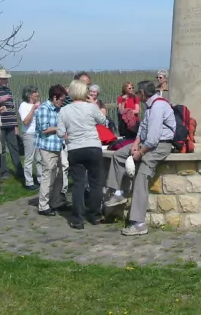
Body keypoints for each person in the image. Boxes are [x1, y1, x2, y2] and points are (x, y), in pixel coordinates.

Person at [105, 80, 176, 236]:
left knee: (141, 177)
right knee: (118, 155)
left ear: (143, 94)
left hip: (160, 145)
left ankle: (139, 223)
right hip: (148, 143)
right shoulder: (151, 105)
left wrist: (141, 152)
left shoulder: (158, 107)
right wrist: (135, 143)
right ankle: (119, 192)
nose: (137, 94)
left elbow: (154, 138)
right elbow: (143, 126)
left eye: (138, 92)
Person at [57, 80, 107, 229]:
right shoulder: (91, 107)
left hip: (75, 148)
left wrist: (69, 134)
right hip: (92, 146)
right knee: (95, 183)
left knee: (78, 184)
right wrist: (94, 104)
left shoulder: (64, 110)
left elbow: (60, 133)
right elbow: (103, 121)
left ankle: (78, 218)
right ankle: (95, 214)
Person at [35, 84, 68, 216]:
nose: (62, 102)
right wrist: (59, 128)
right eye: (61, 100)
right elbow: (44, 129)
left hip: (58, 146)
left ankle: (56, 201)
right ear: (54, 98)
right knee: (48, 176)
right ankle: (43, 205)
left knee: (59, 175)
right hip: (47, 147)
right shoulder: (44, 109)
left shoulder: (57, 110)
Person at [0, 69, 23, 179]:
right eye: (4, 79)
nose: (6, 80)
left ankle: (19, 170)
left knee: (14, 147)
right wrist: (0, 101)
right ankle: (4, 171)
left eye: (6, 79)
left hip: (10, 122)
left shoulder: (8, 90)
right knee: (2, 148)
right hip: (0, 123)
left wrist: (15, 125)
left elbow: (12, 107)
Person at [18, 86, 42, 190]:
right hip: (29, 133)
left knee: (39, 158)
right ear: (30, 94)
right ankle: (29, 182)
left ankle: (41, 180)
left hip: (38, 133)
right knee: (29, 158)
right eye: (35, 92)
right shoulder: (23, 106)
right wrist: (33, 109)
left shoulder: (38, 104)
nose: (37, 94)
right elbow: (26, 121)